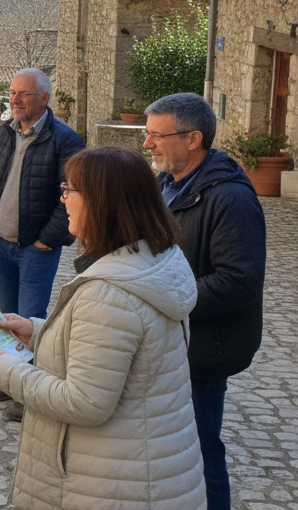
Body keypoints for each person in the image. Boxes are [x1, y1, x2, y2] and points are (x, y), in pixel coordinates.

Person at [0, 145, 205, 510]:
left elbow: (85, 402)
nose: (63, 199)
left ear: (102, 202)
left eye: (69, 190)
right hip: (147, 465)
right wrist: (37, 330)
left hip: (112, 482)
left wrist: (5, 369)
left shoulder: (109, 292)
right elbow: (120, 346)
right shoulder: (154, 258)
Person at [144, 93, 266, 510]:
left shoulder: (230, 198)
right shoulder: (166, 183)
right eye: (147, 135)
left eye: (157, 136)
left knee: (198, 449)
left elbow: (239, 281)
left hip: (205, 347)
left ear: (193, 138)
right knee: (171, 452)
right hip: (171, 339)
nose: (148, 145)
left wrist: (161, 297)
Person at [0, 69, 84, 421]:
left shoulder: (65, 140)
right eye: (12, 92)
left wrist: (46, 240)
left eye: (23, 94)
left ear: (44, 99)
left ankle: (28, 394)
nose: (15, 99)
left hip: (35, 249)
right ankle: (8, 382)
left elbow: (69, 197)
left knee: (31, 322)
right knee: (5, 320)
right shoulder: (4, 132)